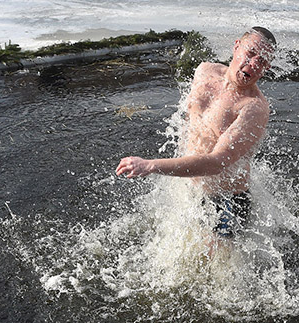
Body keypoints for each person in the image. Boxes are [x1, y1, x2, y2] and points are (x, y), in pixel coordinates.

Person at [116, 27, 276, 245]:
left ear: (266, 68)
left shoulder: (254, 108)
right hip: (190, 188)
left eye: (262, 61)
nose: (254, 63)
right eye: (251, 53)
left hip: (226, 201)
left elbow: (217, 163)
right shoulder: (205, 71)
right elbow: (189, 121)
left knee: (208, 266)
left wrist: (152, 165)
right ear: (237, 46)